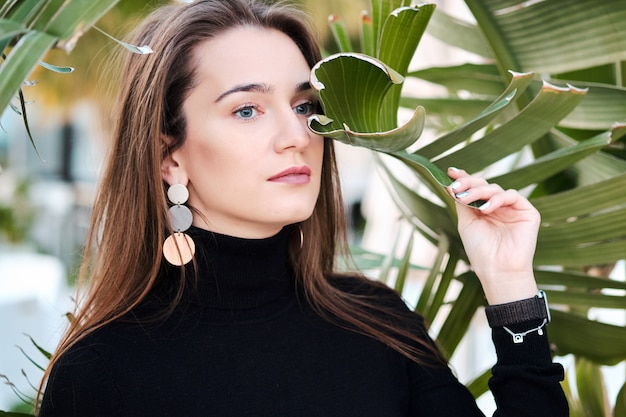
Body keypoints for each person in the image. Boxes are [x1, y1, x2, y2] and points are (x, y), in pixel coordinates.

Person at [38, 0, 568, 415]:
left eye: (304, 106)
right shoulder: (100, 372)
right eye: (247, 109)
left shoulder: (377, 321)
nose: (297, 135)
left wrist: (509, 284)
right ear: (167, 158)